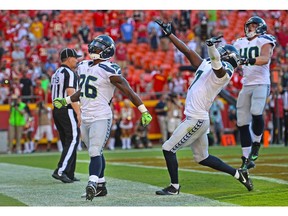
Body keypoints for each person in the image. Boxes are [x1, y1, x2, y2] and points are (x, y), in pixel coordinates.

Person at [154, 19, 253, 195]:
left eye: (222, 51)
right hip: (197, 117)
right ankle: (239, 174)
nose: (219, 52)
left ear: (227, 57)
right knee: (203, 157)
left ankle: (174, 187)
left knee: (168, 148)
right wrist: (170, 35)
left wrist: (212, 48)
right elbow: (187, 51)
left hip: (196, 119)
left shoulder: (225, 71)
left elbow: (218, 68)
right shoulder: (207, 64)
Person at [53, 35, 152, 201]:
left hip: (101, 116)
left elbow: (128, 91)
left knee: (94, 151)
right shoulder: (83, 65)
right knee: (95, 152)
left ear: (107, 51)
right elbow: (83, 92)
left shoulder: (110, 70)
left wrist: (143, 110)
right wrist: (67, 100)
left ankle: (92, 183)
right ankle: (101, 185)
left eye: (98, 48)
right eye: (93, 46)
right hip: (86, 116)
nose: (93, 49)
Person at [233, 16, 276, 169]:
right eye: (249, 25)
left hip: (261, 83)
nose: (250, 28)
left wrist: (246, 60)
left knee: (256, 112)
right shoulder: (239, 42)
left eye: (253, 25)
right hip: (246, 85)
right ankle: (246, 158)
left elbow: (265, 58)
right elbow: (230, 55)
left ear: (260, 27)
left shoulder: (265, 39)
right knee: (242, 122)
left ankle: (256, 142)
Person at [50, 48, 82, 184]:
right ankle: (61, 170)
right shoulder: (69, 72)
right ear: (69, 58)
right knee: (74, 138)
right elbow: (71, 93)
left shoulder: (56, 73)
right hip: (66, 108)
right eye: (75, 58)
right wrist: (79, 113)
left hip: (57, 109)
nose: (77, 60)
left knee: (67, 140)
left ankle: (69, 172)